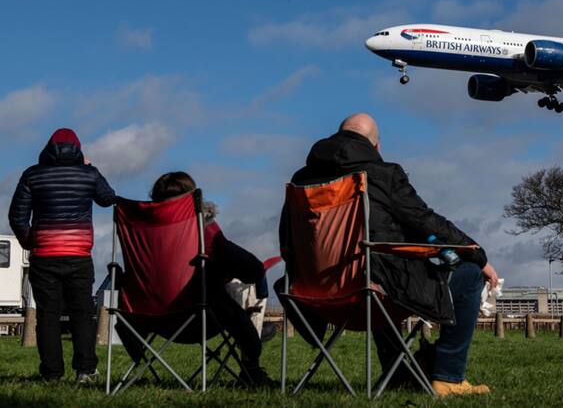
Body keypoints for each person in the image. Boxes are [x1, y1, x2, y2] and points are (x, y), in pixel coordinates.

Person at [278, 113, 498, 396]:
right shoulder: (383, 174)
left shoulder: (300, 180)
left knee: (379, 270)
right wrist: (476, 254)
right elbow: (425, 221)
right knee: (465, 275)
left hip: (312, 298)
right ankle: (448, 377)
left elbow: (287, 239)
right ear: (376, 147)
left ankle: (398, 373)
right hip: (371, 293)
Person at [114, 171, 272, 386]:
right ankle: (251, 371)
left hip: (146, 318)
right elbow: (251, 268)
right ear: (192, 199)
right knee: (234, 309)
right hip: (198, 317)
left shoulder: (139, 228)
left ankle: (139, 365)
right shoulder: (202, 230)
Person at [8, 128, 116, 383]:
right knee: (81, 313)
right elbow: (108, 198)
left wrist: (30, 242)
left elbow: (17, 216)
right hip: (78, 255)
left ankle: (51, 374)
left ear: (47, 148)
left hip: (44, 256)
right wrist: (91, 168)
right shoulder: (88, 174)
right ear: (78, 149)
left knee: (47, 315)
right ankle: (86, 371)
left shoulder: (32, 175)